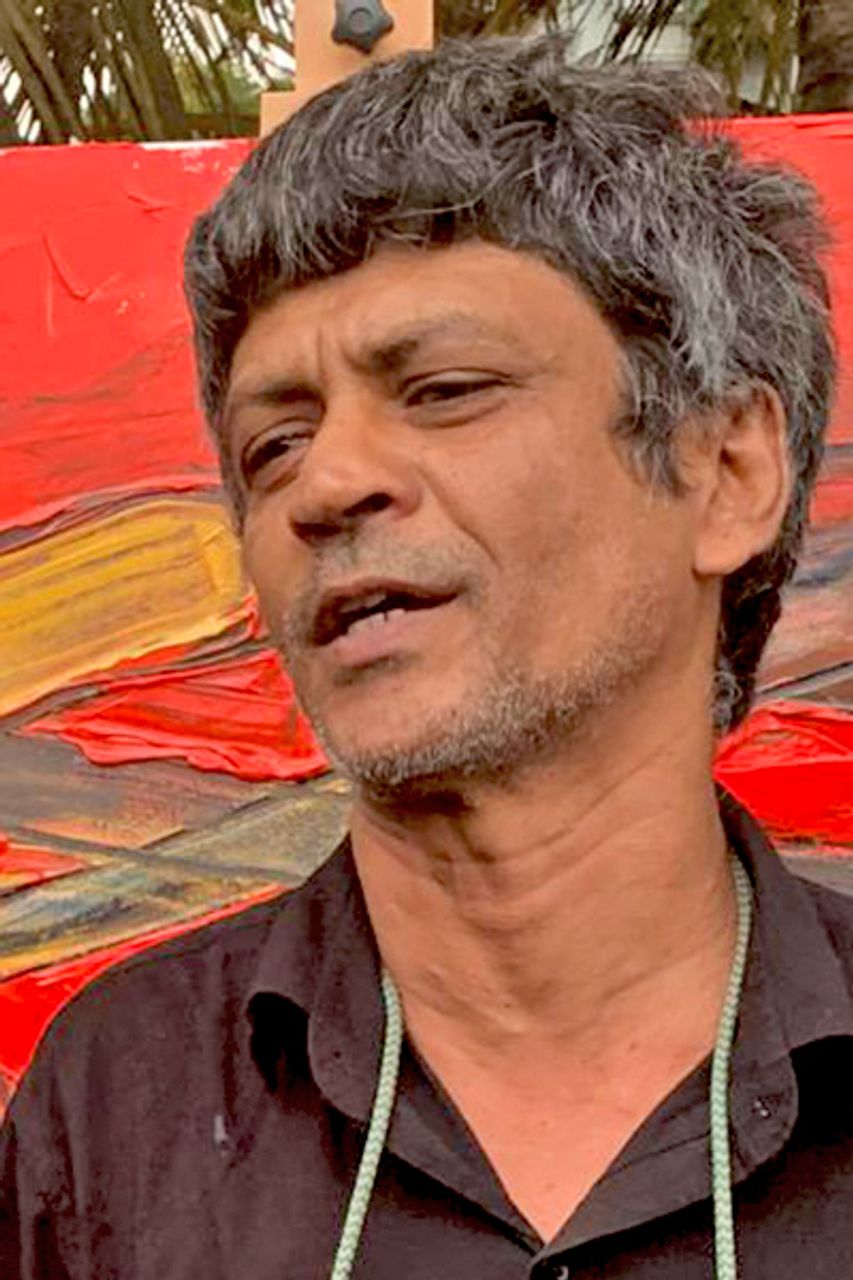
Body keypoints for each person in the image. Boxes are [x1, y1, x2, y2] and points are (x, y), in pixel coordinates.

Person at [0, 34, 847, 1280]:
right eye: (273, 445)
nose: (327, 484)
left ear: (724, 471)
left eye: (445, 388)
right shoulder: (115, 1109)